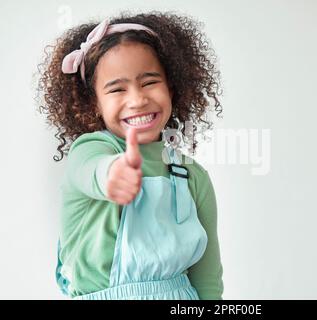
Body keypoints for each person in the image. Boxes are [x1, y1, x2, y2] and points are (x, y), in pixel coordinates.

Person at [37, 11, 224, 300]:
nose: (137, 99)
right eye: (117, 88)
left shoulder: (192, 176)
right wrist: (113, 175)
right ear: (94, 103)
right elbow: (94, 171)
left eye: (149, 82)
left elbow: (208, 275)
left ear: (171, 88)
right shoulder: (90, 151)